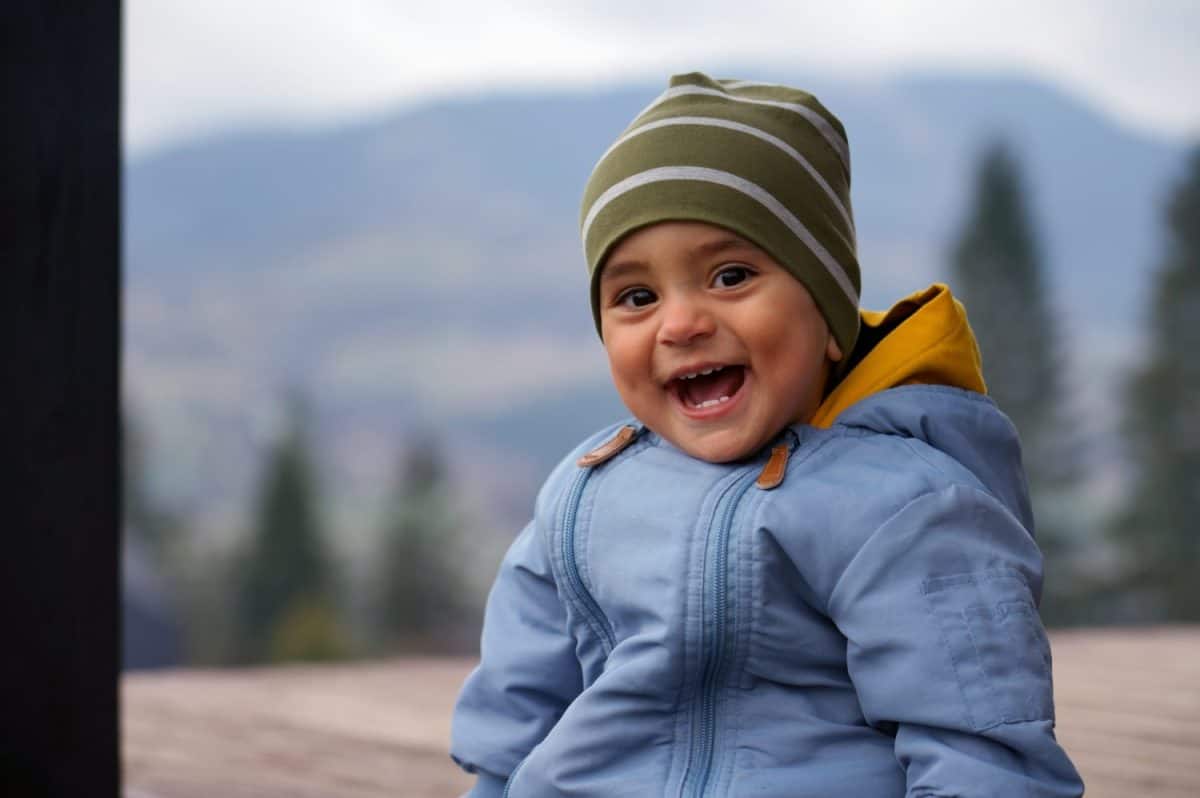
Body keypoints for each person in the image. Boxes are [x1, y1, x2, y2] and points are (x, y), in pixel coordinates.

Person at [450, 72, 1084, 797]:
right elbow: (516, 717)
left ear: (829, 316)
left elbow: (981, 757)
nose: (680, 323)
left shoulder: (908, 509)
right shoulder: (587, 492)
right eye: (636, 296)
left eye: (730, 275)